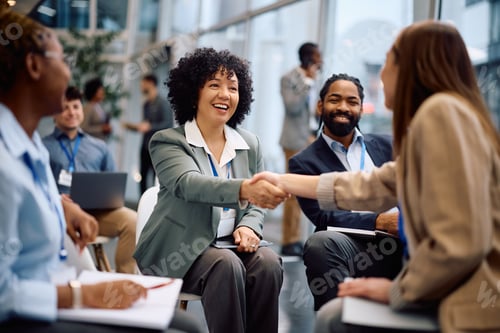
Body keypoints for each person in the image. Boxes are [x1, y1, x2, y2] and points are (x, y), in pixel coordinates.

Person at [252, 20, 500, 333]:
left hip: (463, 307)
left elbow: (460, 243)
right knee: (334, 309)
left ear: (412, 67)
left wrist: (397, 292)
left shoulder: (440, 114)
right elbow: (372, 186)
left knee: (334, 317)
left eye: (388, 60)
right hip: (440, 290)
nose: (382, 74)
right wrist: (282, 180)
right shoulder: (444, 115)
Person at [0, 7, 203, 333]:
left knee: (183, 323)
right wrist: (83, 296)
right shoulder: (6, 162)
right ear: (34, 65)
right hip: (29, 312)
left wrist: (61, 206)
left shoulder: (29, 145)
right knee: (183, 329)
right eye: (63, 59)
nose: (69, 73)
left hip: (58, 279)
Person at [134, 47, 287, 333]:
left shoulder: (249, 143)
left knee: (268, 262)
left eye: (233, 87)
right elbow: (188, 183)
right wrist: (245, 189)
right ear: (193, 93)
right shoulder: (167, 141)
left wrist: (250, 227)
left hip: (229, 244)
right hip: (179, 248)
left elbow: (254, 206)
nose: (225, 95)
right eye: (214, 85)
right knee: (225, 264)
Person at [289, 73, 403, 311]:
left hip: (405, 240)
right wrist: (380, 221)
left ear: (361, 108)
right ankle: (337, 322)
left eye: (352, 102)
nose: (343, 107)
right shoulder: (304, 162)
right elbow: (324, 216)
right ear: (320, 105)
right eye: (335, 100)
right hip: (356, 245)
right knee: (320, 243)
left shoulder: (388, 145)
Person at [43, 86, 137, 274]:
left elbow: (112, 183)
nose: (71, 112)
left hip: (97, 213)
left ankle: (123, 278)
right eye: (65, 107)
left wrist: (108, 198)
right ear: (54, 114)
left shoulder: (99, 146)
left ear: (82, 111)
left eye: (76, 107)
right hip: (62, 215)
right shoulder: (43, 146)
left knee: (132, 220)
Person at [279, 41, 323, 256]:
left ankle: (306, 238)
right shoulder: (289, 78)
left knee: (313, 191)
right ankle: (290, 240)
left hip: (312, 139)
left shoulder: (318, 80)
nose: (320, 60)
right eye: (317, 56)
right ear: (308, 58)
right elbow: (293, 106)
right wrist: (307, 83)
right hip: (294, 141)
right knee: (292, 191)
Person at [123, 73, 174, 194]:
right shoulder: (146, 104)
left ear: (150, 84)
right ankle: (142, 206)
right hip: (145, 146)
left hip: (158, 147)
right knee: (143, 177)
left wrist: (150, 127)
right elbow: (144, 125)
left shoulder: (163, 103)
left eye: (143, 83)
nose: (141, 86)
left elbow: (168, 125)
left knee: (156, 178)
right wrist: (133, 127)